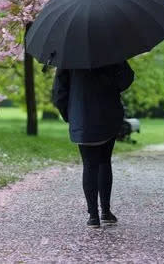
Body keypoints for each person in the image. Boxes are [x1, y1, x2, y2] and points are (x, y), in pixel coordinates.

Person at [52, 61, 134, 229]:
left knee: (89, 165)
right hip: (108, 115)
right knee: (104, 161)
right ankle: (105, 211)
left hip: (82, 116)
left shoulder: (69, 56)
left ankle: (93, 216)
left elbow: (59, 92)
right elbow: (126, 79)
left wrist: (70, 114)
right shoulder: (110, 51)